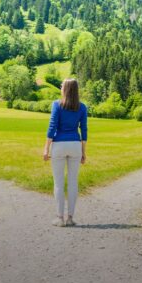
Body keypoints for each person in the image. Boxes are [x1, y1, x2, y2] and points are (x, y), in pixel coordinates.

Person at [42, 78, 87, 227]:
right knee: (73, 183)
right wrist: (84, 152)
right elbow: (84, 130)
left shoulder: (57, 105)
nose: (60, 87)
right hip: (75, 145)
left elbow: (52, 127)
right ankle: (70, 218)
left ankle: (60, 218)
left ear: (65, 89)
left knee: (59, 183)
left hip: (59, 146)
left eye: (62, 85)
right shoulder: (82, 107)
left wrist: (46, 148)